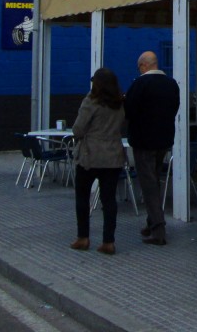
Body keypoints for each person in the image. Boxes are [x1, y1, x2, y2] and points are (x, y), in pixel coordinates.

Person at [124, 51, 180, 246]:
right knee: (154, 179)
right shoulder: (171, 84)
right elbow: (175, 107)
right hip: (164, 139)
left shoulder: (139, 84)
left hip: (143, 140)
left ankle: (158, 229)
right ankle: (151, 221)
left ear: (143, 66)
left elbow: (128, 111)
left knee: (148, 184)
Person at [70, 67, 126, 256]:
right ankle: (108, 241)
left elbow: (78, 129)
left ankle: (83, 237)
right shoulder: (120, 103)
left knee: (82, 197)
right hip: (113, 156)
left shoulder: (90, 102)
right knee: (109, 200)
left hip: (90, 156)